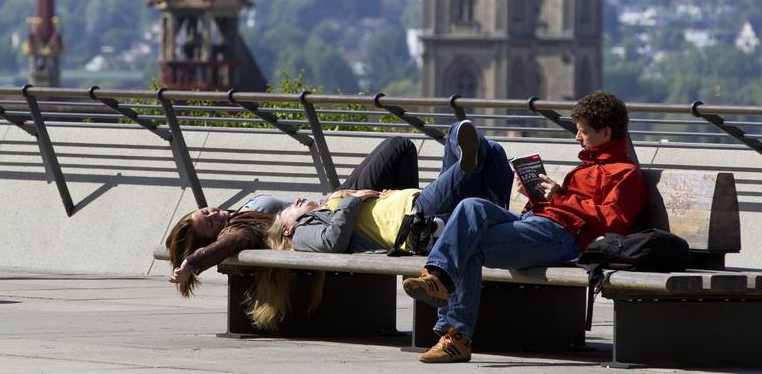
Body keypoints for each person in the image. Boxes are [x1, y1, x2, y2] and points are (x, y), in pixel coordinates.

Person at [403, 91, 646, 364]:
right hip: (538, 223)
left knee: (467, 244)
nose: (577, 137)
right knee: (471, 206)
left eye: (583, 131)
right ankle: (438, 277)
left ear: (605, 132)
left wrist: (560, 196)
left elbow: (614, 221)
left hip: (562, 237)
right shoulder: (586, 167)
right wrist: (536, 195)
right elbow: (568, 205)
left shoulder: (625, 173)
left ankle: (455, 333)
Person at [246, 119, 510, 329]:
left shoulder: (327, 209)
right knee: (479, 157)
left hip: (416, 203)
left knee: (477, 143)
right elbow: (332, 241)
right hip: (415, 219)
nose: (297, 200)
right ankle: (494, 204)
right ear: (288, 228)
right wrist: (355, 199)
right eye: (290, 209)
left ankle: (497, 211)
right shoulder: (302, 233)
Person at [166, 135, 429, 297]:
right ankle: (414, 238)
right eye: (210, 223)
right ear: (212, 238)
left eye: (206, 211)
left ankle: (414, 226)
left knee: (401, 148)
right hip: (331, 214)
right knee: (400, 147)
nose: (214, 214)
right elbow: (228, 245)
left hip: (333, 201)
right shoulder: (237, 229)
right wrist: (194, 262)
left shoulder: (239, 212)